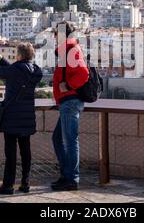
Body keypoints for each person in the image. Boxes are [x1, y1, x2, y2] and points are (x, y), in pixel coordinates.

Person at [0, 42, 43, 195]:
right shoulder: (35, 71)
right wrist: (1, 59)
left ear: (19, 55)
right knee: (26, 151)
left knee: (10, 153)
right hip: (26, 117)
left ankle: (8, 185)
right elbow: (15, 71)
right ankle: (25, 183)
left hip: (12, 116)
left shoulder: (16, 70)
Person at [51, 21, 89, 191]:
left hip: (70, 101)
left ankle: (72, 178)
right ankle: (66, 175)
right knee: (58, 138)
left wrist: (68, 86)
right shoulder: (67, 49)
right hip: (67, 101)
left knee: (70, 141)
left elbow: (83, 73)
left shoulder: (70, 49)